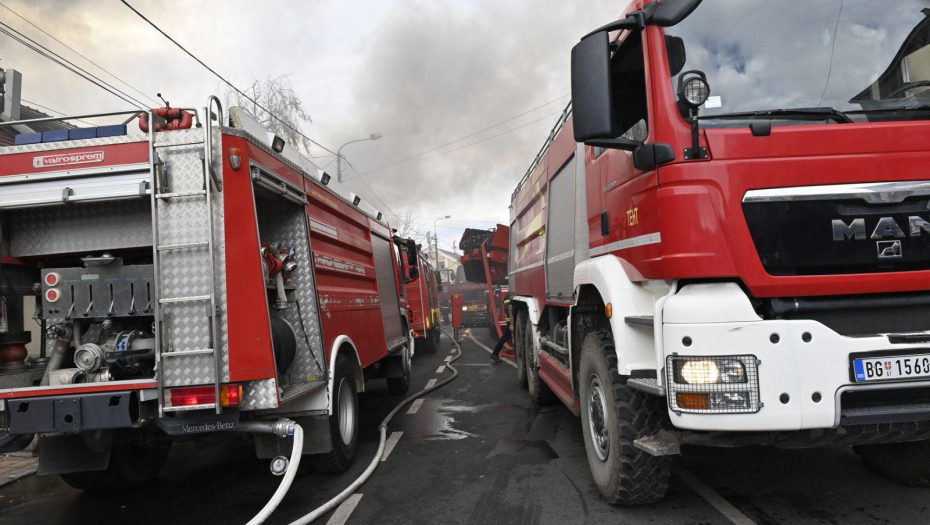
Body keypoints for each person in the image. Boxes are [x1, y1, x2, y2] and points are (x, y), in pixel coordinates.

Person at [490, 292, 512, 364]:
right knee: (505, 337)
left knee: (506, 337)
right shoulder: (508, 296)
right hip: (511, 321)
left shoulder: (510, 295)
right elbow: (506, 308)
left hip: (512, 321)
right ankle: (495, 353)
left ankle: (495, 353)